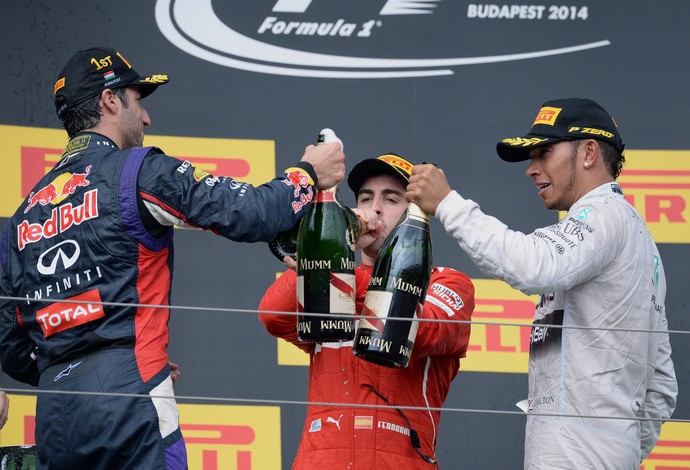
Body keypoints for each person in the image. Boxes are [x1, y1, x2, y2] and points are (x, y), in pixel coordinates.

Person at [0, 46, 345, 469]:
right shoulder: (138, 170)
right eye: (137, 101)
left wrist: (81, 371)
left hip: (56, 416)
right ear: (111, 101)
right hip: (133, 397)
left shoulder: (21, 217)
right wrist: (307, 174)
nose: (145, 118)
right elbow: (249, 213)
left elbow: (10, 348)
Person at [406, 98, 678, 468]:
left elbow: (533, 264)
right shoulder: (639, 239)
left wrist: (449, 205)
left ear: (589, 152)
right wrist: (618, 449)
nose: (531, 170)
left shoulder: (603, 214)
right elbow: (661, 385)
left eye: (544, 153)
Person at [258, 153, 475, 469]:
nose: (374, 208)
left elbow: (420, 329)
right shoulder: (337, 274)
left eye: (391, 199)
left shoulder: (447, 282)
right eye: (365, 198)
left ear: (414, 212)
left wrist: (336, 264)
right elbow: (273, 315)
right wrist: (324, 249)